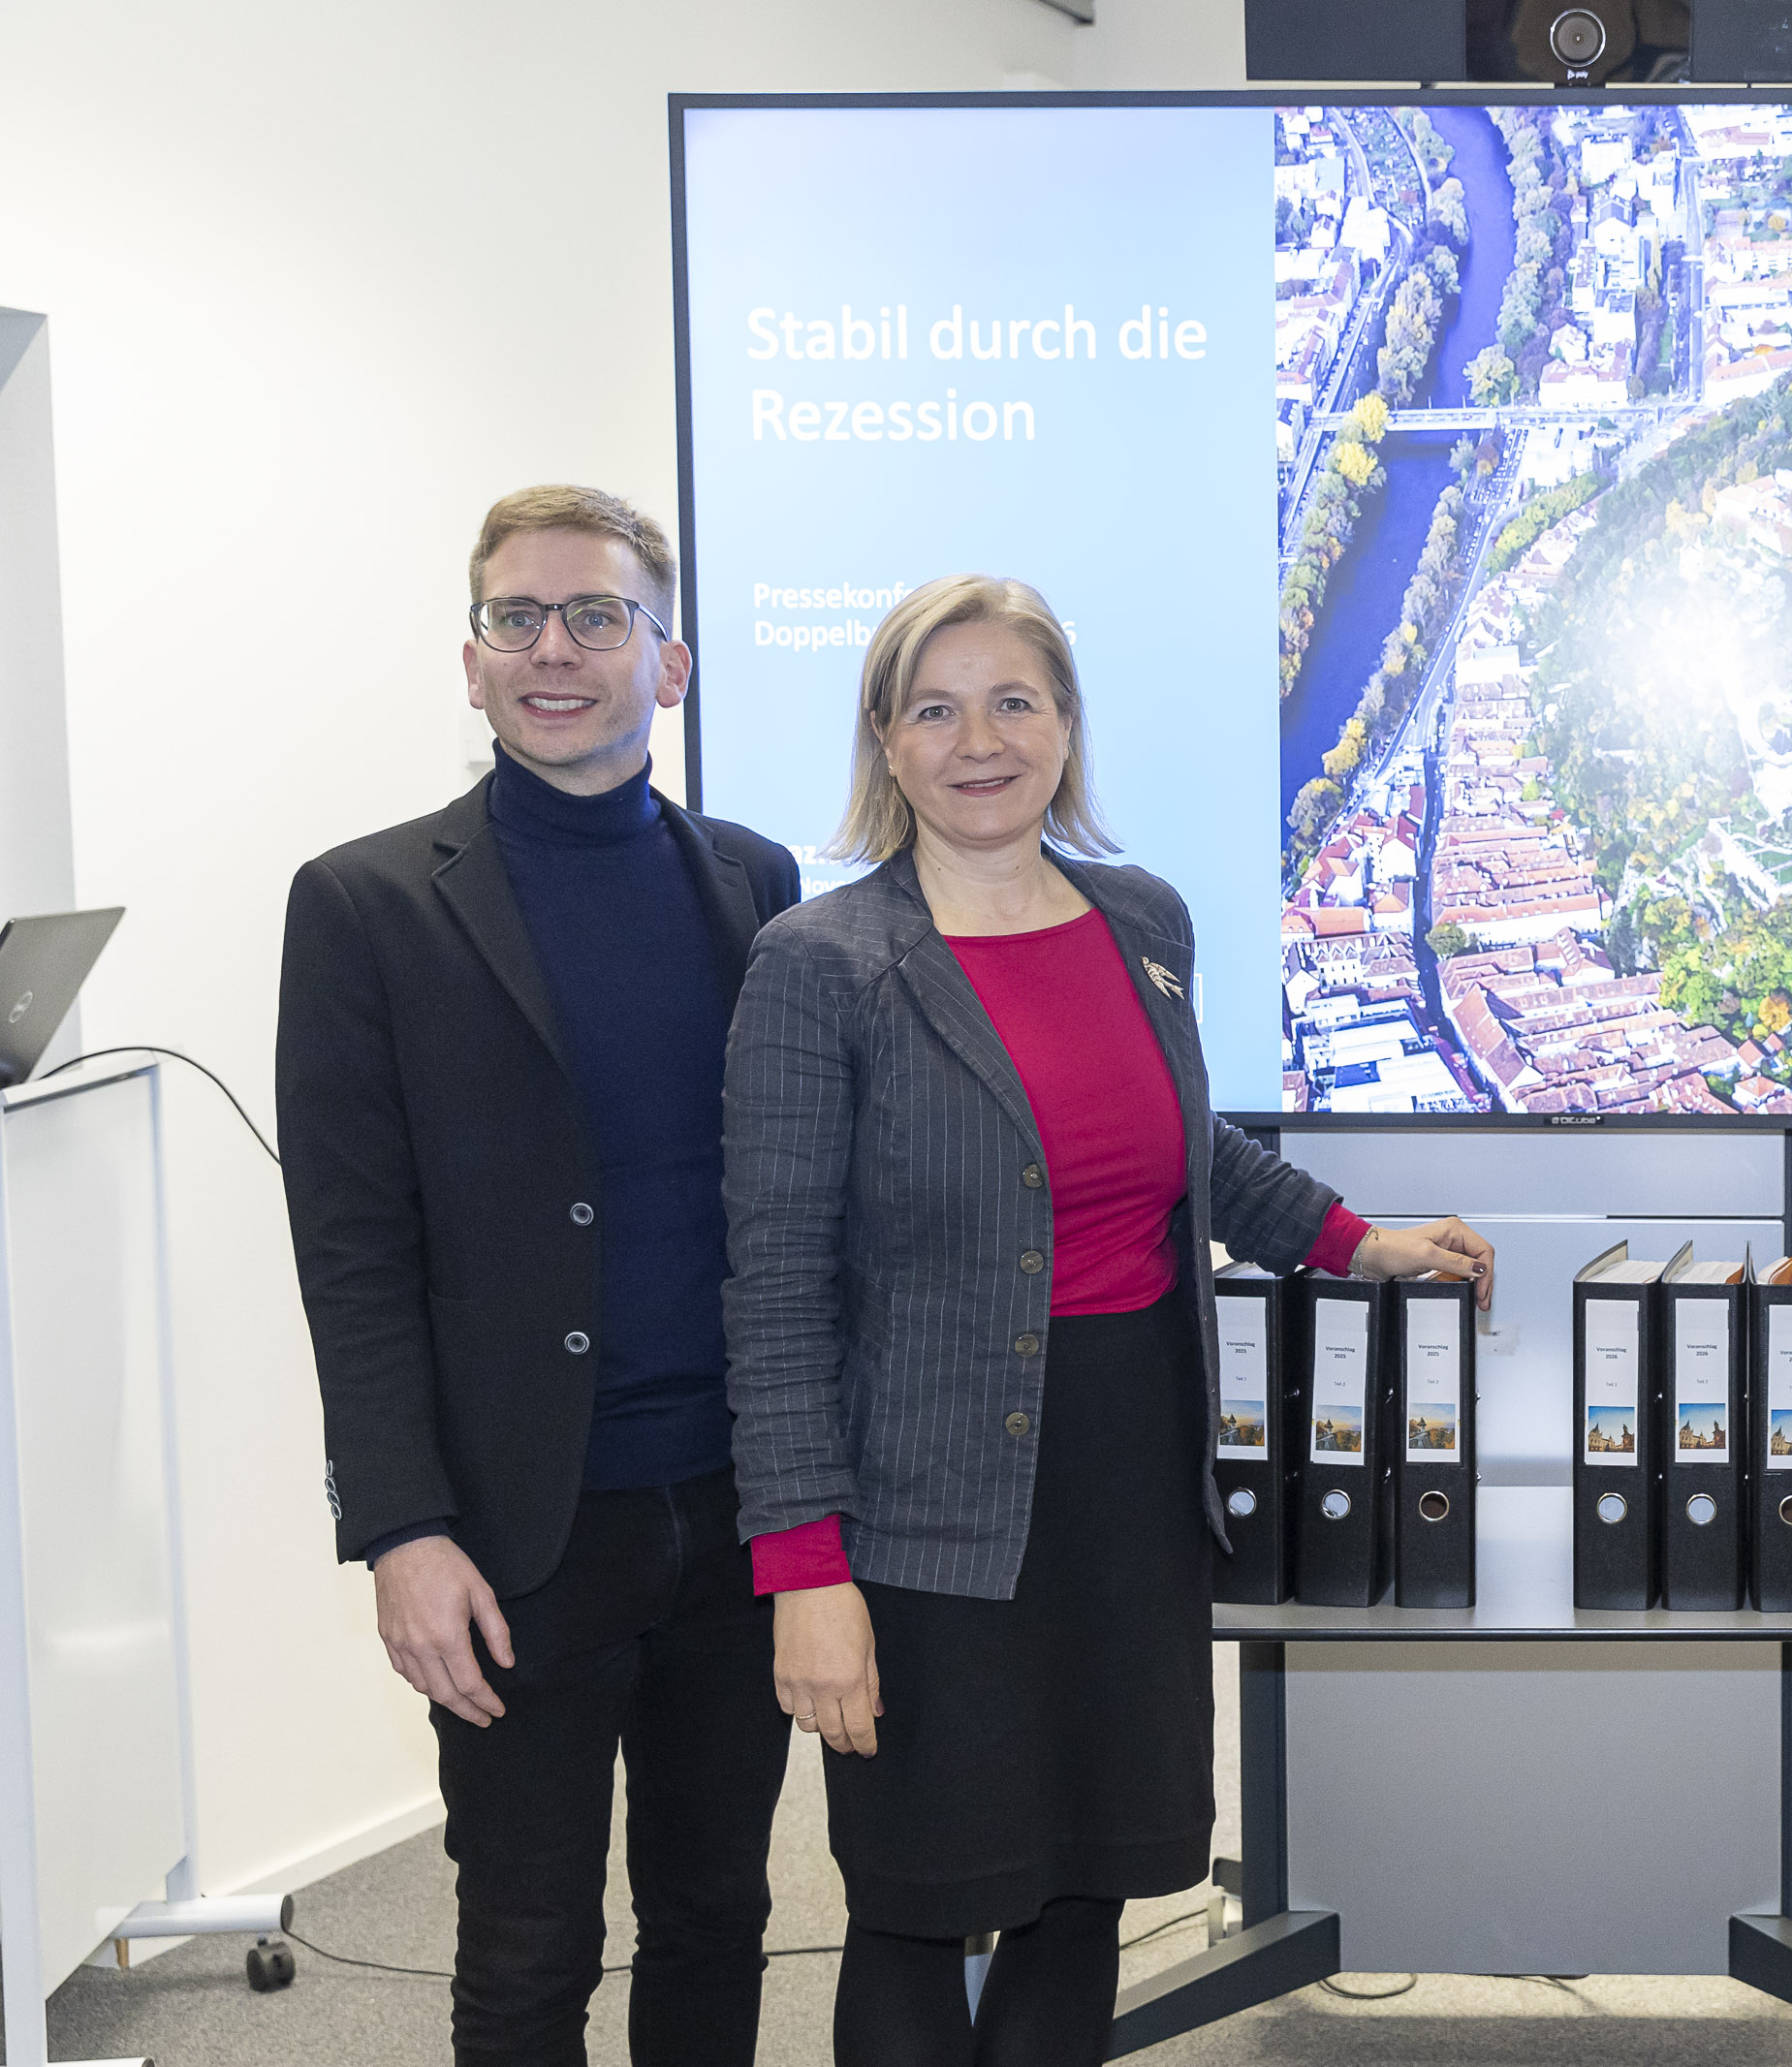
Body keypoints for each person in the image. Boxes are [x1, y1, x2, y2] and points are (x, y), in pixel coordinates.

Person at [722, 574, 1494, 2067]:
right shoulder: (821, 967)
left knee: (1085, 1880)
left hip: (1130, 1484)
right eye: (934, 708)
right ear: (885, 744)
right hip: (928, 1517)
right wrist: (803, 1568)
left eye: (1016, 700)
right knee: (917, 1896)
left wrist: (1355, 1240)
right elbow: (770, 1287)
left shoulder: (1142, 918)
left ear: (1067, 728)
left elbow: (1184, 1149)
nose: (980, 739)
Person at [278, 485, 802, 2066]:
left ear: (673, 659)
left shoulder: (755, 883)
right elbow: (351, 1252)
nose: (554, 650)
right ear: (472, 656)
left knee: (719, 1914)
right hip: (519, 1531)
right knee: (526, 1949)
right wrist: (400, 1529)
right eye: (519, 618)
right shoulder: (365, 903)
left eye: (595, 616)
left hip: (730, 1502)